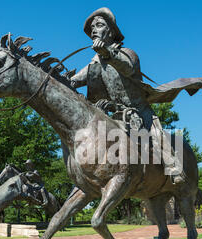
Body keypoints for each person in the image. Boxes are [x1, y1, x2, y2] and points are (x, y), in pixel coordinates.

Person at [70, 7, 186, 184]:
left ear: (110, 31)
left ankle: (174, 167)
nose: (94, 30)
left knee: (155, 133)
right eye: (92, 28)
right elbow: (76, 80)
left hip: (138, 111)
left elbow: (128, 68)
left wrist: (108, 53)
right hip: (115, 114)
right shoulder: (95, 63)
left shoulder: (128, 53)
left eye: (99, 25)